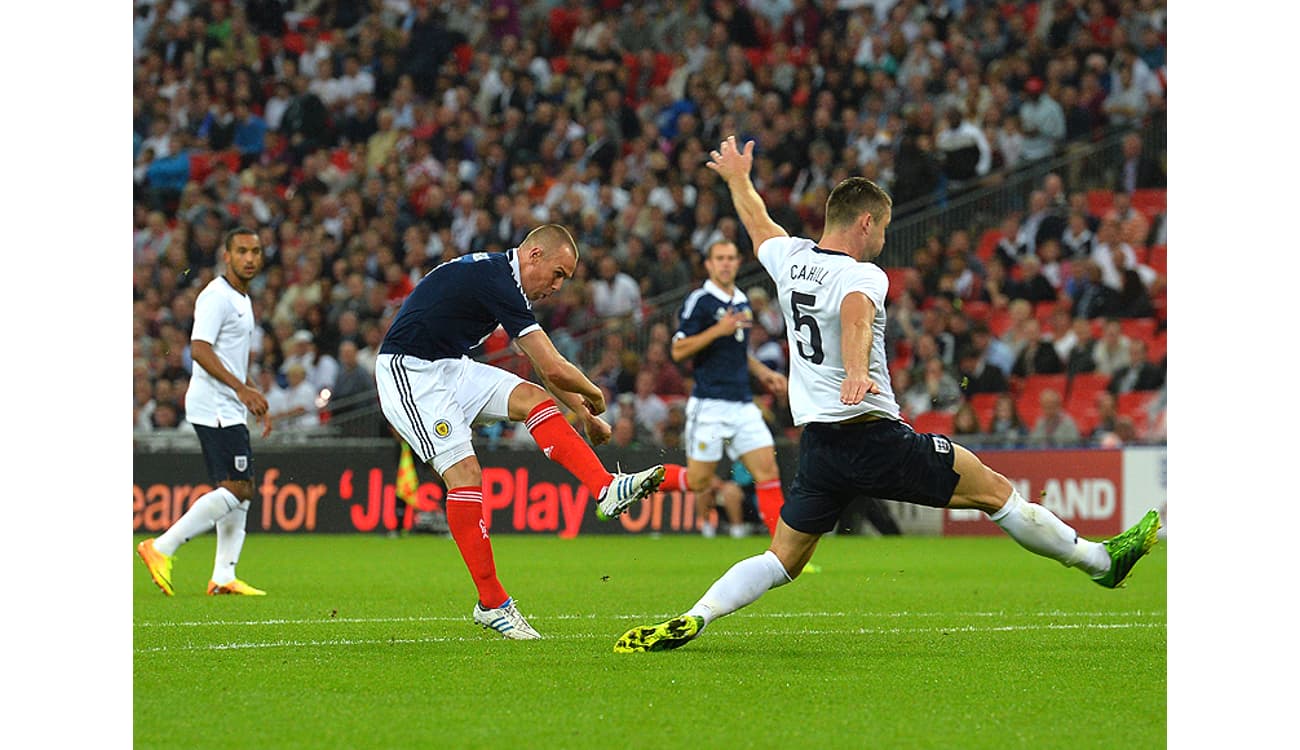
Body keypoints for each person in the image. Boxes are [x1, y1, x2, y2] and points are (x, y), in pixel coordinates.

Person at [613, 137, 1160, 653]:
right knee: (994, 492)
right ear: (866, 221)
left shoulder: (790, 260)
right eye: (884, 227)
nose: (882, 239)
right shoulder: (865, 275)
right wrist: (855, 371)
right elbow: (855, 316)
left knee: (781, 559)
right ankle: (1099, 562)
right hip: (874, 436)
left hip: (820, 450)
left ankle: (699, 614)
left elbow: (758, 223)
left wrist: (737, 178)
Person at [374, 224, 665, 640]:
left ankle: (605, 487)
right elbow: (554, 366)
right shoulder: (500, 281)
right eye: (558, 273)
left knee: (530, 398)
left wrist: (581, 414)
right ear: (534, 256)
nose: (558, 287)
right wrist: (596, 396)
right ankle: (492, 603)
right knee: (466, 476)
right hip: (411, 372)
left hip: (449, 365)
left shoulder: (500, 277)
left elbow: (545, 378)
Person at [137, 228, 272, 597]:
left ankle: (224, 575)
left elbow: (226, 356)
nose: (250, 258)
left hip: (227, 403)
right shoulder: (217, 296)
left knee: (241, 490)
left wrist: (250, 391)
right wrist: (241, 389)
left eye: (256, 252)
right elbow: (199, 349)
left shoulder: (242, 299)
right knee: (239, 487)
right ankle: (161, 547)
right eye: (242, 251)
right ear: (226, 255)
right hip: (214, 405)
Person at [657, 239, 791, 539]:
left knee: (768, 472)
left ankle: (785, 554)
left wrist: (763, 372)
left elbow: (737, 350)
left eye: (731, 258)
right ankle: (637, 485)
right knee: (698, 480)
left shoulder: (741, 300)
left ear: (738, 262)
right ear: (709, 264)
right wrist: (718, 329)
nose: (726, 263)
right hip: (709, 404)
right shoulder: (700, 300)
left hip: (742, 404)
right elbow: (678, 350)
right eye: (720, 258)